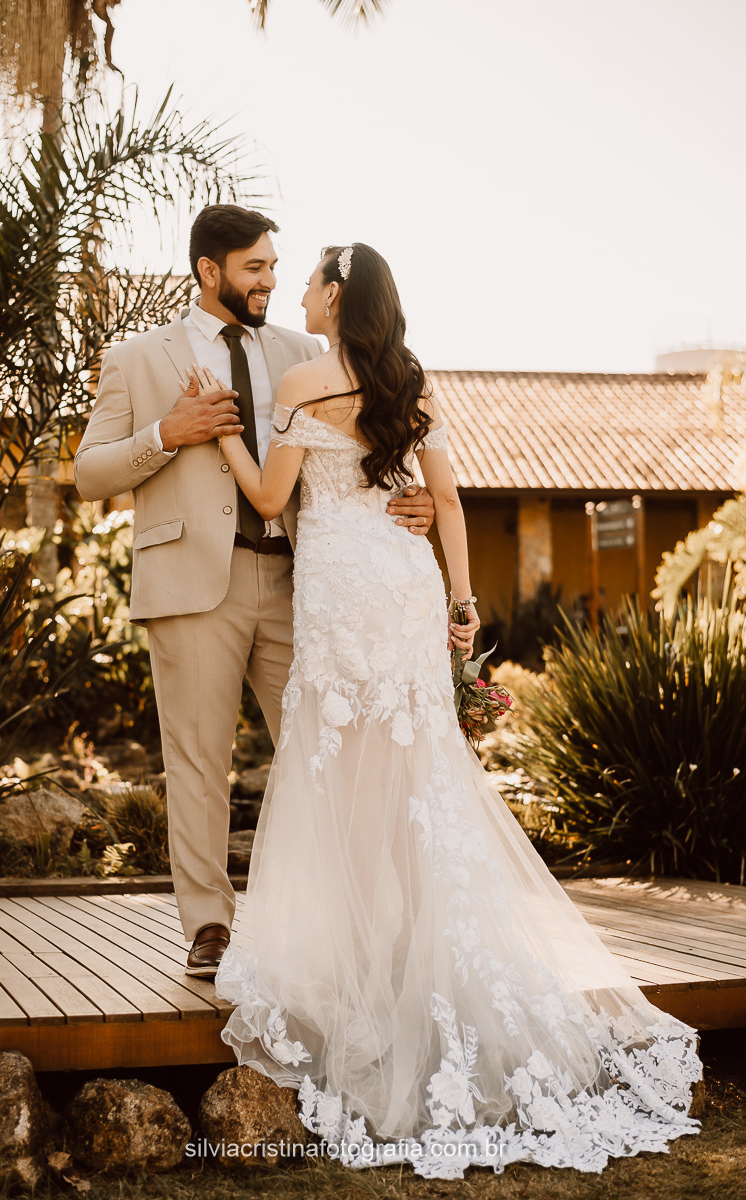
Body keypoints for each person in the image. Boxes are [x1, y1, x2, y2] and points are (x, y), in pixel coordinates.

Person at [205, 242, 703, 1178]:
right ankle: (404, 955)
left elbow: (273, 501)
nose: (302, 294)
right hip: (400, 591)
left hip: (339, 593)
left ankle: (365, 966)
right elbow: (448, 500)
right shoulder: (406, 381)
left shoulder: (306, 380)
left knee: (339, 779)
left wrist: (225, 431)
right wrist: (464, 604)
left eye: (311, 280)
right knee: (417, 777)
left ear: (338, 295)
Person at [74, 207, 435, 977]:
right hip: (192, 584)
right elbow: (88, 472)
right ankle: (210, 928)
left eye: (276, 267)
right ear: (211, 271)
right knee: (199, 763)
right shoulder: (139, 358)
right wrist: (167, 433)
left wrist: (418, 502)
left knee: (327, 752)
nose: (271, 281)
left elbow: (383, 444)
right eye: (255, 268)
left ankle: (353, 918)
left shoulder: (309, 349)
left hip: (307, 582)